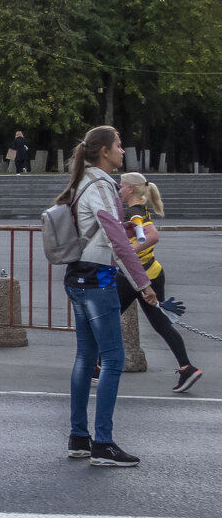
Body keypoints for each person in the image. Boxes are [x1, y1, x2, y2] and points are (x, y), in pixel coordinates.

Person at [55, 126, 157, 467]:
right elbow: (115, 239)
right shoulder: (100, 184)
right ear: (104, 152)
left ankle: (79, 439)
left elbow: (101, 227)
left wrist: (125, 227)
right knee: (112, 360)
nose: (123, 150)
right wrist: (143, 283)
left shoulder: (84, 181)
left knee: (86, 358)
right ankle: (103, 444)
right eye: (118, 145)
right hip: (98, 280)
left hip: (77, 277)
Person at [118, 172, 201, 394]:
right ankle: (187, 368)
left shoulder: (134, 211)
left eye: (122, 186)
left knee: (104, 316)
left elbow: (152, 235)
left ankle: (96, 368)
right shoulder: (139, 209)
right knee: (160, 323)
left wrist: (129, 251)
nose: (119, 189)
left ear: (131, 190)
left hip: (135, 275)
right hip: (150, 272)